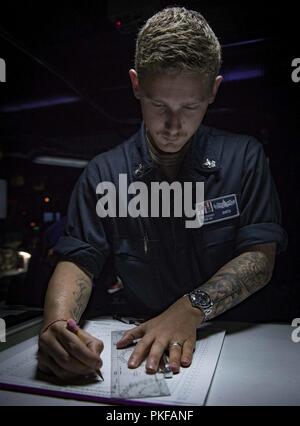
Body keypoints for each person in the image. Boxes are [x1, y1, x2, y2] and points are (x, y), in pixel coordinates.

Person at [38, 7, 287, 380]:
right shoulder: (103, 172)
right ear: (137, 85)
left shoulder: (245, 158)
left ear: (213, 90)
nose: (173, 126)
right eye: (158, 105)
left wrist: (189, 308)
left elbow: (259, 257)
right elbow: (79, 260)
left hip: (227, 344)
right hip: (140, 345)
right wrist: (57, 325)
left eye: (190, 106)